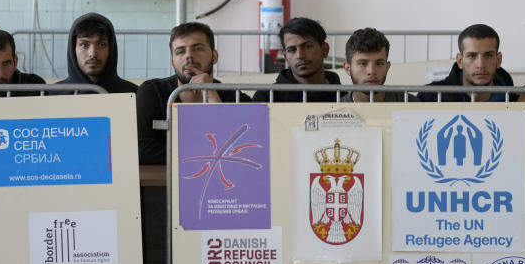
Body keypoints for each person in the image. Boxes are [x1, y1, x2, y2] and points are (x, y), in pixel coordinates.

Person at [136, 22, 249, 165]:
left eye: (198, 49)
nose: (189, 56)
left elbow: (244, 149)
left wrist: (213, 96)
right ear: (172, 62)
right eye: (180, 51)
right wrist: (208, 158)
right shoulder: (152, 92)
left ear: (214, 56)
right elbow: (142, 150)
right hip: (164, 184)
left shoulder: (236, 97)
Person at [251, 17, 343, 103]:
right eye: (291, 50)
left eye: (308, 46)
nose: (300, 56)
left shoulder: (344, 98)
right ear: (286, 57)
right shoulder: (266, 98)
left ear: (324, 50)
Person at [419, 24, 514, 102]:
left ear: (498, 60)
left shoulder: (515, 100)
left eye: (488, 55)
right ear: (460, 61)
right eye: (471, 56)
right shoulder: (431, 96)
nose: (480, 65)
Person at [57, 13, 138, 94]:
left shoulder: (133, 94)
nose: (93, 53)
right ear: (73, 49)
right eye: (84, 45)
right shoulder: (51, 95)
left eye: (102, 44)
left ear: (111, 48)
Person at [339, 27, 417, 102]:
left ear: (387, 67)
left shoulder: (411, 104)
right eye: (362, 64)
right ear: (348, 68)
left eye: (379, 63)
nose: (371, 71)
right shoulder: (334, 110)